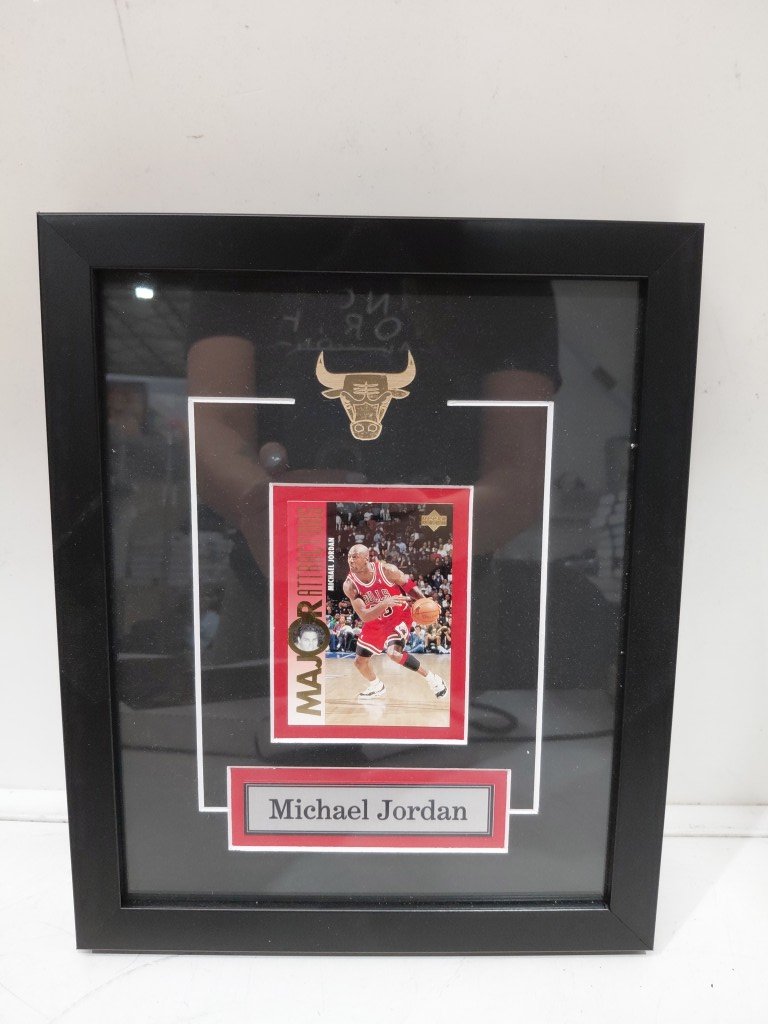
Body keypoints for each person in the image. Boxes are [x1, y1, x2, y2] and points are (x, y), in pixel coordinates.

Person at [343, 544, 446, 701]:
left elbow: (408, 585)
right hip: (375, 619)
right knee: (359, 662)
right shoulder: (350, 585)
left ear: (366, 558)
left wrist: (426, 601)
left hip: (399, 616)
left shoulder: (387, 570)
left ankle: (432, 679)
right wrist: (385, 602)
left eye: (355, 557)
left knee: (394, 654)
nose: (351, 560)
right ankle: (376, 686)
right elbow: (364, 616)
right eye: (349, 557)